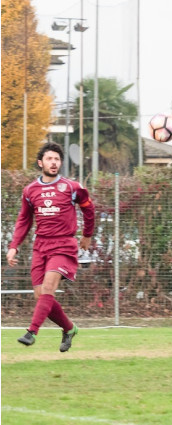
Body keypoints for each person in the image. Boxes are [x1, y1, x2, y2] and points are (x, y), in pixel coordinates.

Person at [6, 142, 95, 352]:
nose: (54, 163)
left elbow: (89, 209)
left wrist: (87, 235)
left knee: (48, 289)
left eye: (57, 159)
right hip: (41, 246)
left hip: (64, 245)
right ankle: (69, 328)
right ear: (40, 163)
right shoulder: (30, 191)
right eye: (49, 159)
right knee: (41, 296)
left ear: (60, 163)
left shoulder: (72, 187)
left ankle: (31, 332)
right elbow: (24, 220)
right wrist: (14, 246)